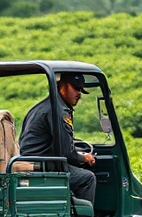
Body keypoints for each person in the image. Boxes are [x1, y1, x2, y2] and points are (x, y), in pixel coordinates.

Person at [18, 72, 96, 204]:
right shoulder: (58, 111)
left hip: (34, 161)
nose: (79, 94)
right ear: (63, 86)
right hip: (45, 166)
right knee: (88, 178)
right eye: (76, 88)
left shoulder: (41, 107)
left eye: (81, 90)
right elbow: (67, 153)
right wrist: (84, 157)